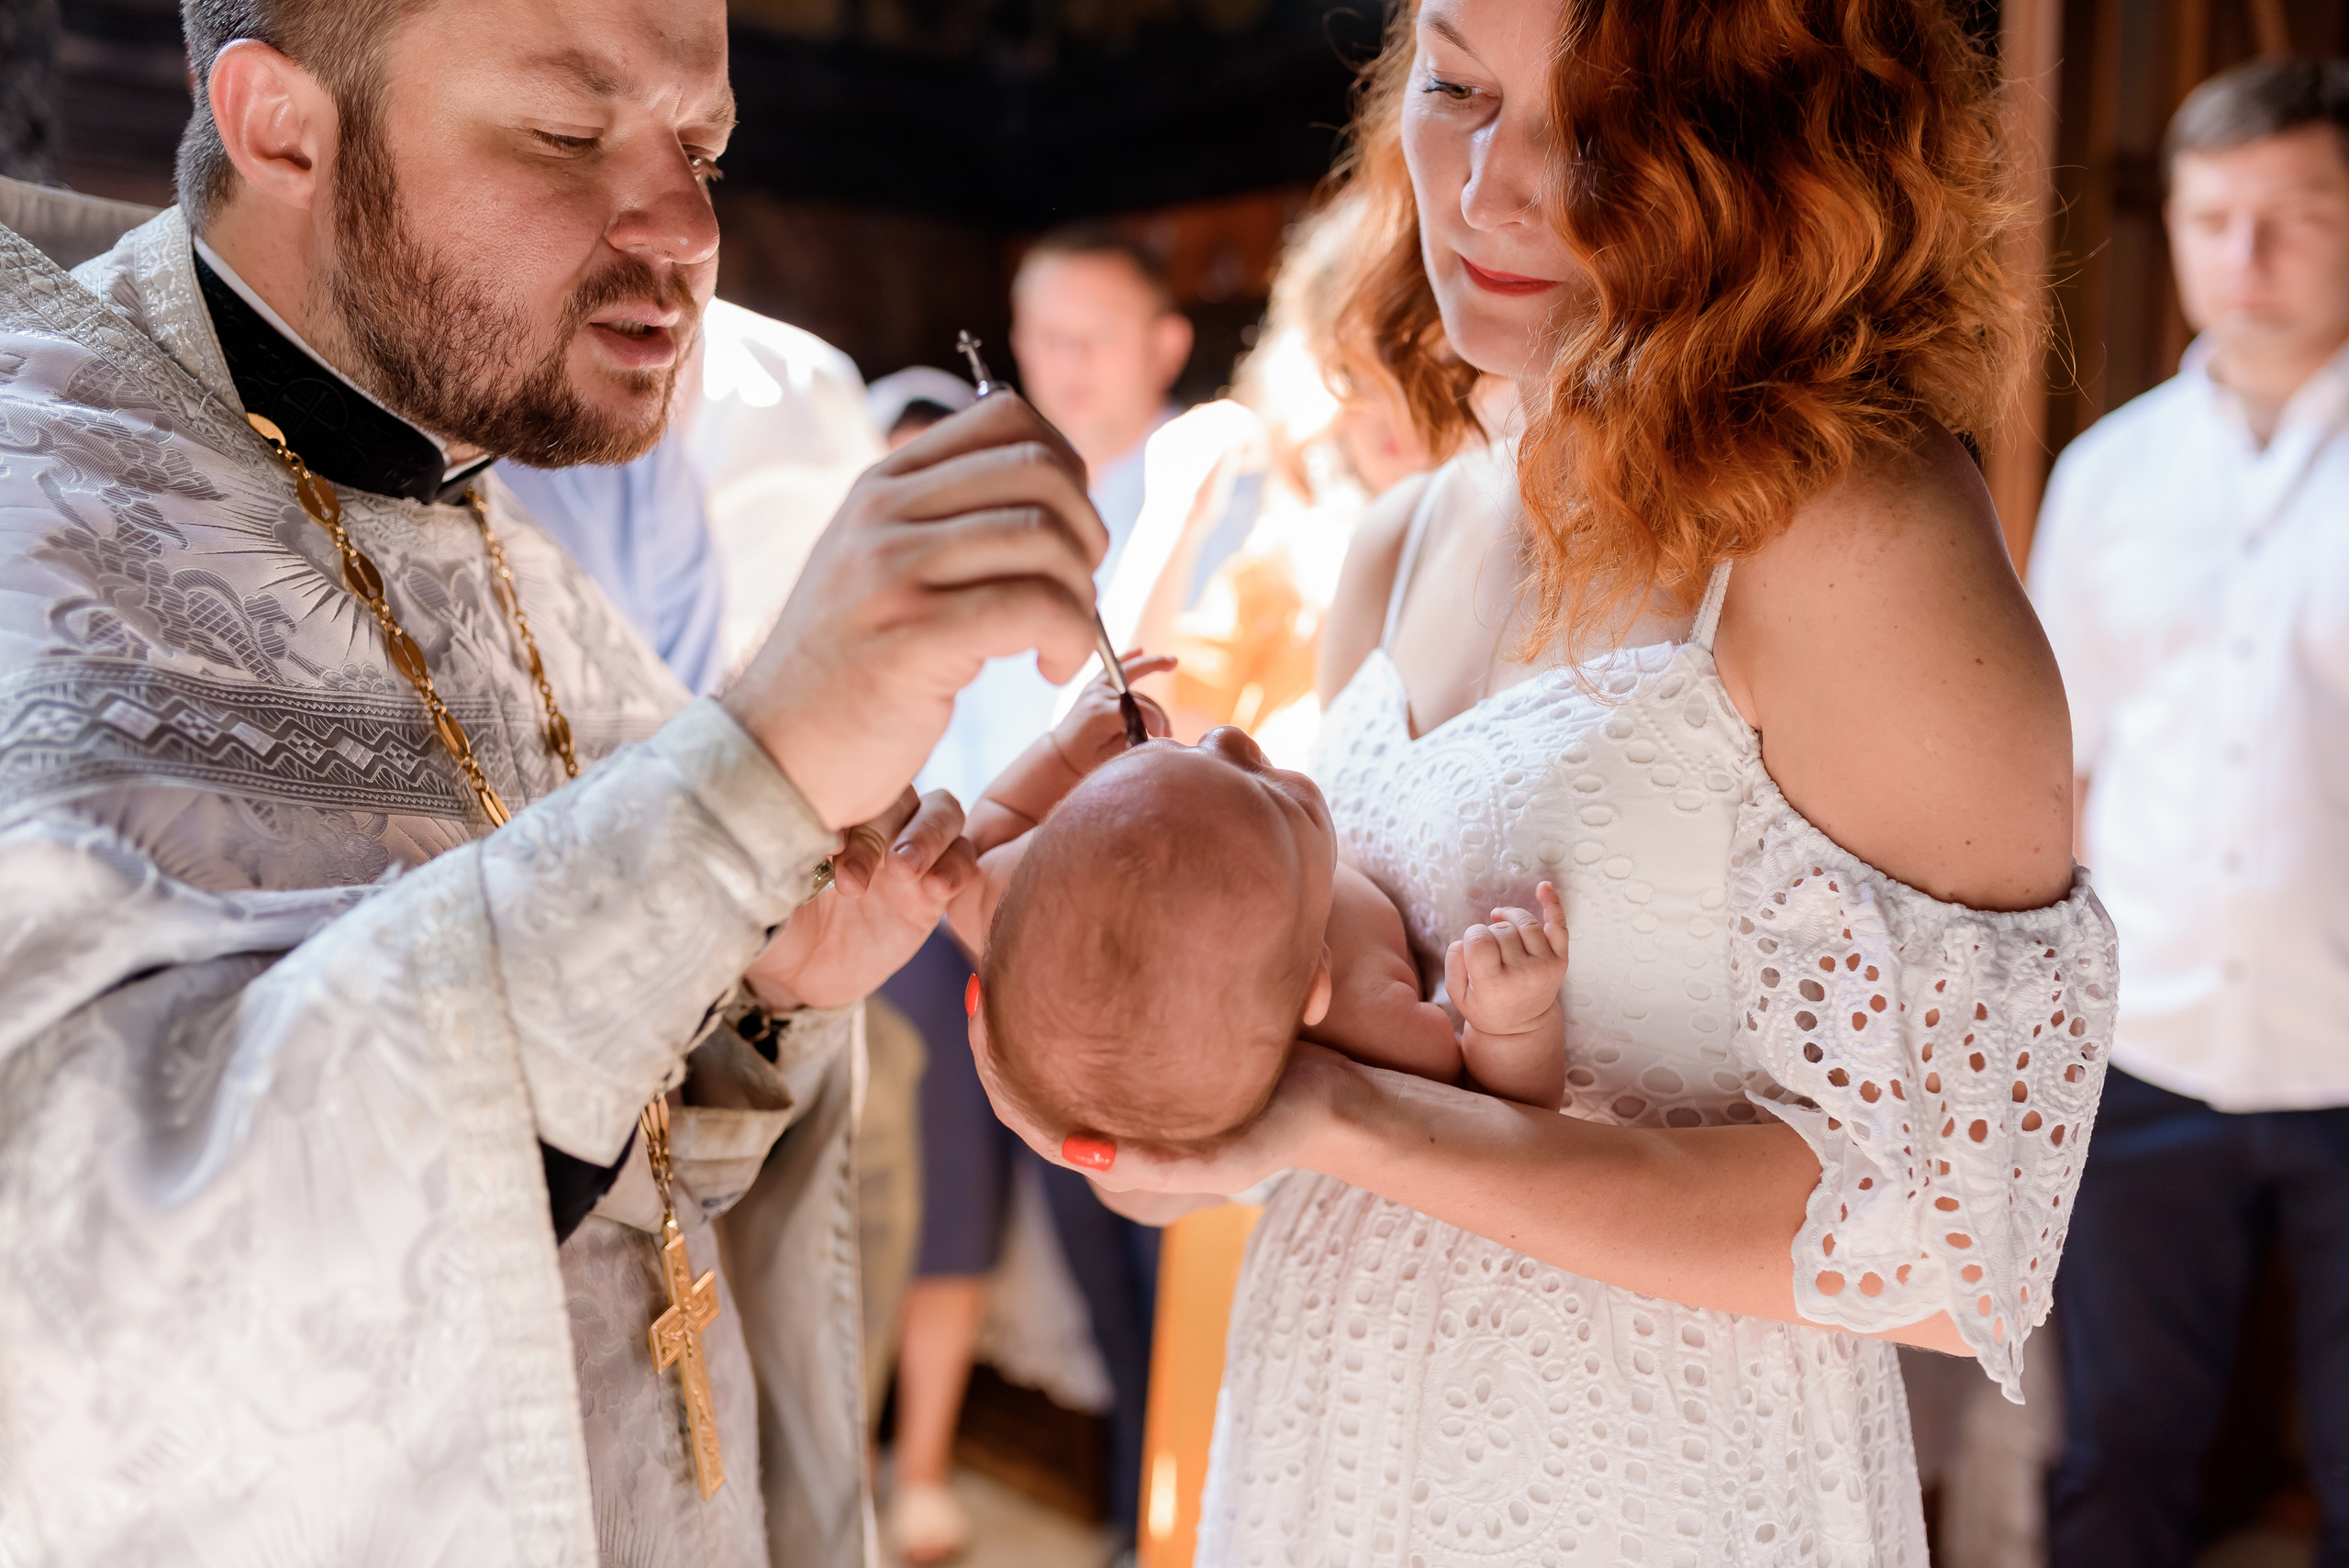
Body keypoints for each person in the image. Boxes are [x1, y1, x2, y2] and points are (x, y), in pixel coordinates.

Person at [971, 0, 2121, 1562]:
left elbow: (1947, 1251)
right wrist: (1138, 1090)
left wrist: (1340, 1128)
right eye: (1455, 87)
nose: (1486, 186)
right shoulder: (1401, 539)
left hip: (1649, 1477)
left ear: (1770, 147)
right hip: (1332, 1429)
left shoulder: (1858, 536)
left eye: (1596, 125)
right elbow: (1320, 1061)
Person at [0, 3, 1115, 1565]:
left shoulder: (518, 563)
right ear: (282, 128)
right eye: (569, 133)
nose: (687, 226)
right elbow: (91, 1329)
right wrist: (761, 762)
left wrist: (765, 987)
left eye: (705, 145)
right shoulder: (34, 514)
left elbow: (613, 1195)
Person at [2028, 57, 2349, 1568]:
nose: (2252, 256)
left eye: (2299, 214)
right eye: (2219, 218)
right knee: (2119, 1455)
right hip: (2145, 1042)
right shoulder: (2109, 476)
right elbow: (2057, 773)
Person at [882, 228, 1195, 1563]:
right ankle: (1119, 1515)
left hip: (1148, 919)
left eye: (1092, 337)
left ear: (1165, 344)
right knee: (1036, 1222)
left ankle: (1163, 1516)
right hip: (982, 895)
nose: (1059, 366)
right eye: (1039, 336)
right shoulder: (990, 478)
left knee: (1153, 1230)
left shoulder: (1205, 480)